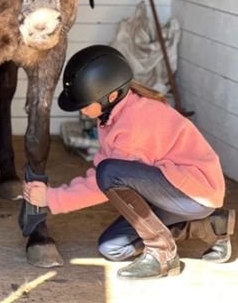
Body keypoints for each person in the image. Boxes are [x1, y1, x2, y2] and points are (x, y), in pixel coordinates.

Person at [23, 44, 235, 280]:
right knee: (112, 248)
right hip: (170, 190)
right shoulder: (113, 113)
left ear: (110, 96)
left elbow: (104, 180)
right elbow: (105, 168)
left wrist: (53, 198)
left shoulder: (134, 123)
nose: (81, 110)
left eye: (84, 104)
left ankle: (162, 255)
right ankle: (210, 225)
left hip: (195, 191)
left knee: (109, 173)